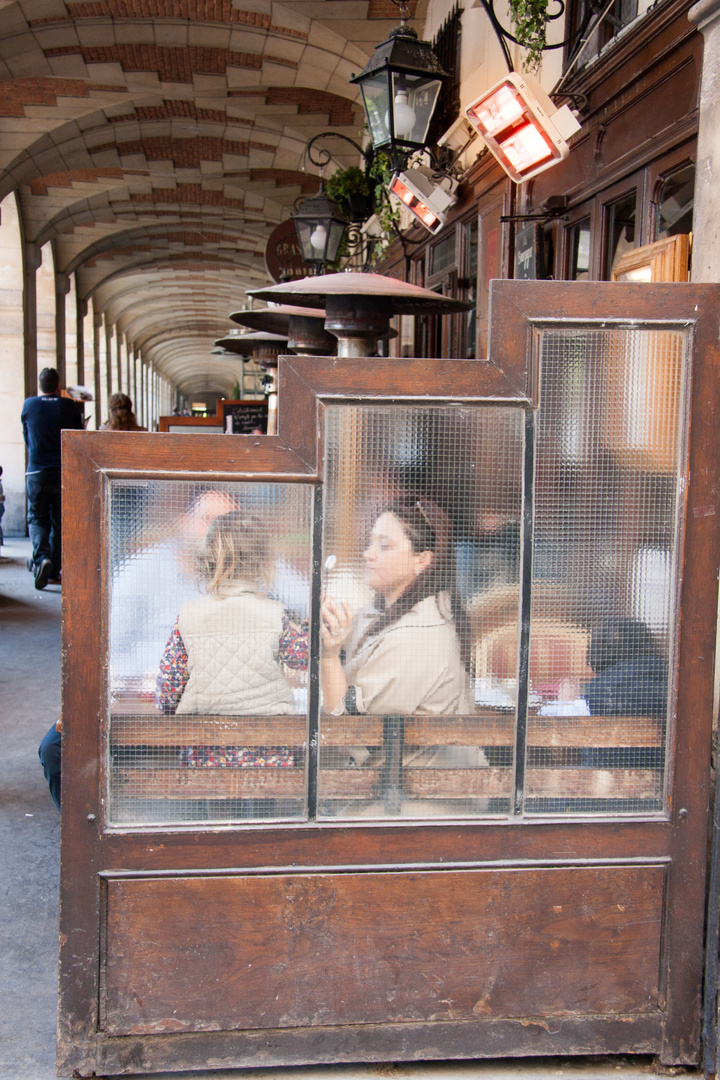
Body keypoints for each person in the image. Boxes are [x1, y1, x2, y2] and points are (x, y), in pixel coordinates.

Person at [320, 495, 474, 717]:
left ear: (422, 561)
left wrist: (329, 655)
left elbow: (350, 733)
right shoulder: (382, 612)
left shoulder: (416, 637)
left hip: (402, 752)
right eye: (370, 543)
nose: (367, 554)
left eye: (384, 546)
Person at [156, 510, 307, 728]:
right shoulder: (275, 615)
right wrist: (309, 628)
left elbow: (168, 690)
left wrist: (170, 707)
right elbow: (302, 658)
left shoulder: (188, 616)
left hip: (204, 747)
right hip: (268, 746)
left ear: (208, 558)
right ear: (263, 563)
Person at [21, 367, 83, 589]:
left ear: (40, 385)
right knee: (59, 521)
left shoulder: (29, 405)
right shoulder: (68, 405)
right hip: (62, 471)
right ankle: (54, 570)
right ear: (59, 386)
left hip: (36, 471)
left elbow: (27, 438)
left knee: (37, 518)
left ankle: (41, 559)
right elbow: (78, 436)